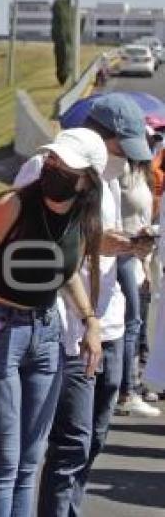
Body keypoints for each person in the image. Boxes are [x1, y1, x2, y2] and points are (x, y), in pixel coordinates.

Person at [0, 128, 107, 517]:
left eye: (64, 164)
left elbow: (64, 270)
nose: (52, 166)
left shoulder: (83, 217)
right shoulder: (15, 206)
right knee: (2, 464)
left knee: (28, 463)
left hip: (47, 333)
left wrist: (90, 320)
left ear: (87, 178)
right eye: (51, 159)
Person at [35, 94, 155, 517]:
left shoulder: (106, 180)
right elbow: (65, 244)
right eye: (124, 148)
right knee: (72, 441)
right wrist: (85, 319)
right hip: (75, 328)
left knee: (96, 436)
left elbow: (96, 237)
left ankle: (70, 508)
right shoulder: (56, 172)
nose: (128, 160)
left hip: (113, 322)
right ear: (103, 137)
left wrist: (130, 244)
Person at [114, 156, 160, 417]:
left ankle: (125, 387)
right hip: (121, 254)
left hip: (138, 255)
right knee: (131, 324)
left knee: (134, 324)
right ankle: (125, 391)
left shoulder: (143, 173)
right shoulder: (120, 170)